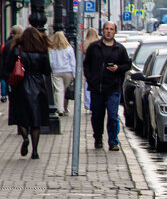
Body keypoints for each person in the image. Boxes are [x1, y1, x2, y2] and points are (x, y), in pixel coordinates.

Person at [82, 21, 132, 151]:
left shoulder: (120, 49)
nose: (109, 31)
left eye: (111, 29)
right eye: (106, 29)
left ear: (115, 32)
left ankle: (113, 141)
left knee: (113, 116)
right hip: (97, 88)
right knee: (97, 116)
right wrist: (90, 78)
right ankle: (98, 138)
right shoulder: (94, 47)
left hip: (113, 87)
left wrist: (118, 68)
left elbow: (127, 65)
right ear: (103, 31)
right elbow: (86, 64)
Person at [8, 26, 52, 160]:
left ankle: (25, 137)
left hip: (21, 85)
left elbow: (9, 67)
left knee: (21, 116)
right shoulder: (42, 52)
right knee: (35, 119)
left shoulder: (18, 50)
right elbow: (47, 71)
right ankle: (35, 151)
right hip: (38, 86)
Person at [47, 31, 76, 116]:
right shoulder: (69, 48)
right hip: (68, 72)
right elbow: (73, 62)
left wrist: (52, 69)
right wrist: (74, 74)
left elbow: (51, 62)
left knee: (59, 90)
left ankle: (60, 109)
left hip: (56, 72)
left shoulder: (52, 49)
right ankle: (64, 108)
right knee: (66, 91)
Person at [0, 25, 23, 103]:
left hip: (6, 69)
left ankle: (5, 95)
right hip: (16, 69)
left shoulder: (7, 44)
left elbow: (1, 57)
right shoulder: (19, 44)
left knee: (7, 84)